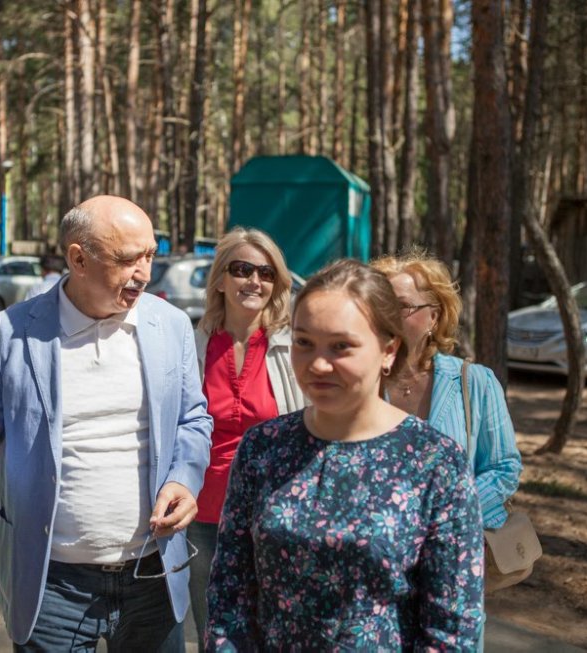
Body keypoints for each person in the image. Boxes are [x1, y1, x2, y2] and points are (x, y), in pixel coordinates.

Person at [0, 195, 213, 650]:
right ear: (78, 259)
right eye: (128, 260)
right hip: (51, 585)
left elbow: (193, 417)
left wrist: (186, 479)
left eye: (150, 255)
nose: (144, 273)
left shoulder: (171, 325)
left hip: (153, 575)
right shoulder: (8, 335)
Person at [206, 259, 484, 650]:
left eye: (341, 347)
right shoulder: (263, 447)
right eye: (304, 342)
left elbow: (452, 630)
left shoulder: (434, 462)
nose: (318, 364)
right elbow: (229, 597)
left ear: (388, 349)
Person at [372, 250, 523, 645]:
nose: (388, 314)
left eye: (402, 306)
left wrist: (447, 516)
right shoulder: (359, 381)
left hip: (452, 564)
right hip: (372, 566)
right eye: (381, 304)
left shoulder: (475, 382)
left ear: (434, 317)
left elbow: (504, 468)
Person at [187, 227, 305, 649]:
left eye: (266, 273)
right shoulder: (193, 344)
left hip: (272, 514)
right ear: (220, 279)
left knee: (275, 628)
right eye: (242, 270)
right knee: (212, 631)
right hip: (202, 515)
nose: (255, 281)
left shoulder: (292, 348)